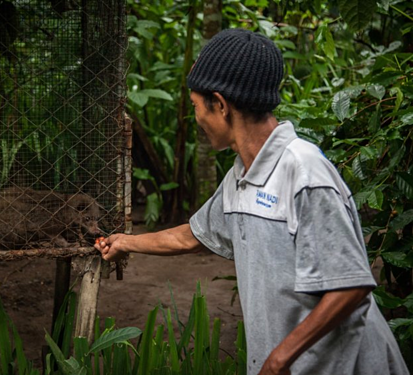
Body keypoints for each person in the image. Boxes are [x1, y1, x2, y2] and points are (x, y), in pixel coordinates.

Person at [94, 29, 409, 375]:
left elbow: (351, 285)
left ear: (221, 105)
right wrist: (125, 242)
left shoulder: (304, 173)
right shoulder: (240, 178)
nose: (196, 119)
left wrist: (279, 358)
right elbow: (191, 236)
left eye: (197, 107)